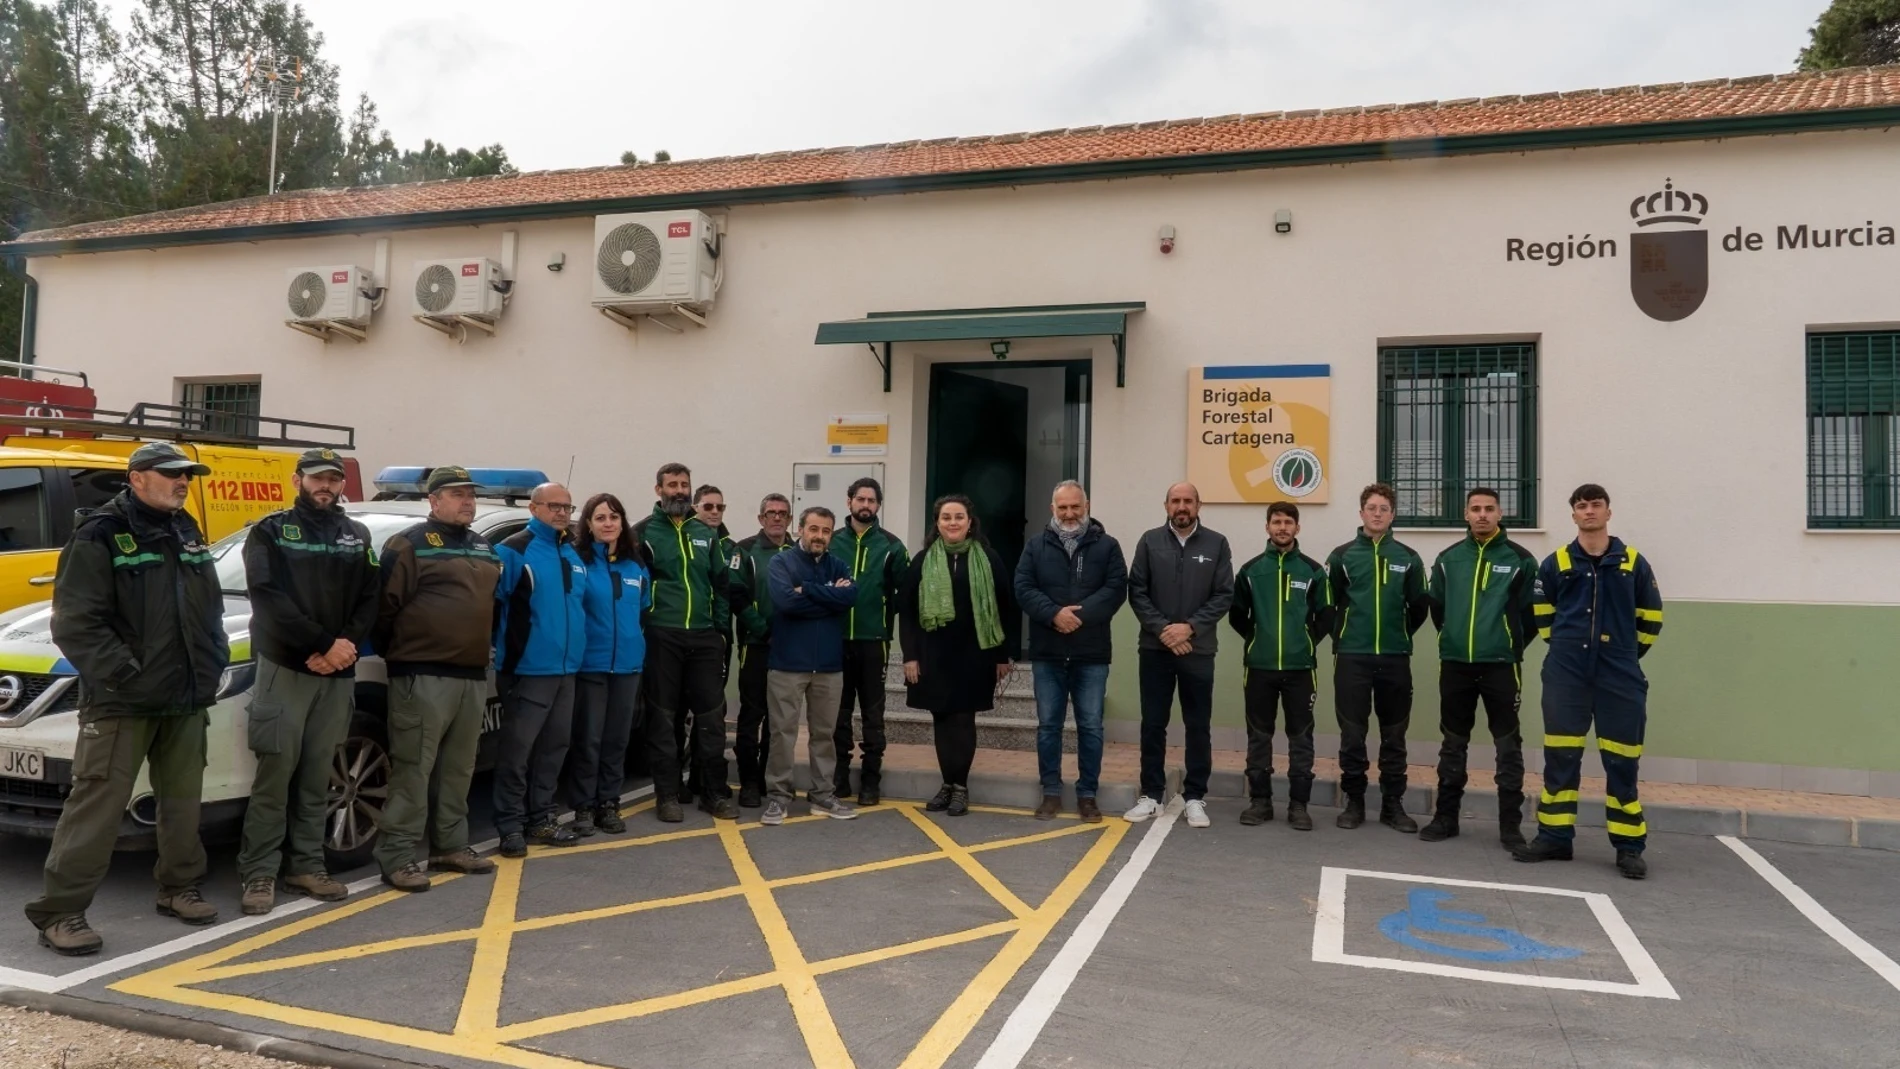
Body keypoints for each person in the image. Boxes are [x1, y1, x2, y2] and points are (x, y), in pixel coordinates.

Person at [25, 443, 229, 954]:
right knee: (96, 806)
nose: (183, 482)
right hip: (123, 700)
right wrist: (123, 673)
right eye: (172, 474)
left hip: (185, 694)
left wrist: (213, 659)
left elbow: (208, 608)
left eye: (188, 476)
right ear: (138, 479)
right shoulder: (100, 534)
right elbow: (75, 622)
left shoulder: (186, 529)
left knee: (182, 803)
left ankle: (179, 887)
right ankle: (62, 912)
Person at [236, 447, 381, 916]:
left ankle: (306, 865)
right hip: (286, 668)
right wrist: (320, 644)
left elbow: (370, 597)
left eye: (334, 479)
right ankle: (259, 873)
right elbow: (267, 597)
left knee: (320, 776)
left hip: (336, 674)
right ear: (297, 480)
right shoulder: (270, 531)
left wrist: (344, 645)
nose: (326, 485)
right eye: (317, 478)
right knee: (275, 776)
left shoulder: (355, 534)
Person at [1515, 484, 1663, 880]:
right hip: (1567, 675)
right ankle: (1555, 837)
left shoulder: (1633, 563)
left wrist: (1624, 656)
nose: (1589, 511)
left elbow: (1651, 620)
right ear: (1574, 515)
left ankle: (1629, 846)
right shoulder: (1557, 562)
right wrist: (1570, 651)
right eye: (1582, 506)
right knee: (1560, 757)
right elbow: (1543, 615)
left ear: (1608, 512)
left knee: (1622, 760)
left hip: (1620, 677)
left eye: (1596, 505)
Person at [371, 466, 502, 892]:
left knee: (458, 769)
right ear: (434, 500)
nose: (467, 501)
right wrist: (404, 657)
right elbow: (384, 607)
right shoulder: (408, 544)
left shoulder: (482, 546)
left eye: (470, 494)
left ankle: (450, 845)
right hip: (422, 674)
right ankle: (398, 856)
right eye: (456, 494)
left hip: (470, 675)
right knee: (413, 769)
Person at [1421, 488, 1540, 849]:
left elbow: (1530, 617)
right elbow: (1437, 610)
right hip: (1456, 664)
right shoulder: (1447, 559)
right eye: (1476, 509)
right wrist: (1456, 640)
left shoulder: (1522, 560)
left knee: (1508, 746)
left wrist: (1506, 644)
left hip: (1501, 667)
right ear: (1466, 514)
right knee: (1453, 743)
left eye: (1489, 508)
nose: (1482, 515)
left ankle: (1509, 827)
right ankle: (1445, 818)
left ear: (1500, 513)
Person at [1013, 480, 1127, 823]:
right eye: (1062, 507)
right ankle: (1050, 792)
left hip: (1091, 653)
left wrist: (1078, 616)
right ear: (1052, 509)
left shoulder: (1107, 546)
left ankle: (1087, 795)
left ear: (1087, 505)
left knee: (1091, 726)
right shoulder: (1035, 546)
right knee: (1048, 726)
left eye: (1075, 506)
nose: (1069, 513)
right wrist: (1053, 614)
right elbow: (1023, 586)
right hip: (1048, 653)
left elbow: (1116, 587)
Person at [1124, 482, 1233, 829]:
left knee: (1197, 726)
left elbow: (1223, 594)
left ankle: (1195, 797)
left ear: (1199, 505)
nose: (1182, 506)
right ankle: (1151, 794)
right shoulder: (1149, 541)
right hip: (1156, 649)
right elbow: (1137, 591)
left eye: (1188, 501)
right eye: (1176, 501)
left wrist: (1189, 629)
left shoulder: (1217, 543)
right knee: (1153, 723)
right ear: (1166, 505)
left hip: (1197, 650)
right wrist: (1164, 631)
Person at [631, 463, 735, 823]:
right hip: (663, 635)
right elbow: (634, 586)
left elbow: (721, 584)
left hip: (704, 636)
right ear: (658, 489)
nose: (679, 490)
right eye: (672, 485)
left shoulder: (706, 531)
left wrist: (720, 631)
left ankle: (713, 793)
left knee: (711, 719)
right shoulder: (642, 533)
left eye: (684, 485)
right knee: (663, 719)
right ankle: (668, 794)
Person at [898, 495, 1013, 817]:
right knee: (941, 719)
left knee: (963, 720)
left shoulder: (988, 559)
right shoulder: (922, 560)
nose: (952, 522)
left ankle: (960, 787)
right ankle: (947, 784)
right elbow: (906, 612)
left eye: (958, 517)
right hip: (932, 655)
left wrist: (1003, 656)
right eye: (946, 517)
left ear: (969, 522)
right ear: (937, 523)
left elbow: (1005, 608)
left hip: (975, 654)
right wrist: (910, 657)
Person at [491, 483, 588, 858]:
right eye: (554, 506)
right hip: (527, 670)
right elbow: (495, 607)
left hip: (566, 671)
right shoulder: (513, 550)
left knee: (554, 748)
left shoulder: (572, 554)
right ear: (534, 508)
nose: (562, 513)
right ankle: (511, 827)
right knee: (518, 753)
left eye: (567, 506)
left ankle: (542, 819)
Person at [1325, 483, 1429, 833]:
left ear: (1392, 514)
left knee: (1394, 734)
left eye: (1384, 508)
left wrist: (1396, 636)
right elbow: (1332, 605)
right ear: (1361, 513)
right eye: (1372, 507)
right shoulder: (1341, 557)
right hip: (1352, 656)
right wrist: (1347, 638)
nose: (1378, 513)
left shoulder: (1408, 558)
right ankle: (1354, 802)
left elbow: (1418, 608)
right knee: (1352, 734)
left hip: (1395, 657)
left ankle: (1392, 804)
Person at [1228, 501, 1332, 832]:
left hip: (1301, 669)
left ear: (1297, 528)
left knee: (1301, 737)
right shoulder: (1250, 570)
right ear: (1267, 527)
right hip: (1259, 668)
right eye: (1276, 522)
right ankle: (1260, 802)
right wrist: (1259, 640)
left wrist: (1304, 641)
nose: (1282, 527)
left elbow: (1327, 615)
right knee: (1259, 735)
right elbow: (1236, 615)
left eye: (1288, 522)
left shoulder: (1313, 571)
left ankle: (1299, 806)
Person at [760, 506, 859, 825]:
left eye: (826, 531)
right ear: (800, 529)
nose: (819, 536)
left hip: (829, 666)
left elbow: (850, 599)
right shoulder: (781, 562)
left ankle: (823, 796)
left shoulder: (838, 563)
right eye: (813, 529)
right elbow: (785, 602)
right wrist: (829, 598)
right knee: (782, 733)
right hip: (788, 664)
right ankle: (777, 797)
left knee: (824, 734)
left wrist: (812, 592)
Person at [564, 492, 651, 837]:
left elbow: (644, 604)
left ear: (622, 522)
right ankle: (583, 807)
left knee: (616, 740)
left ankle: (609, 804)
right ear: (588, 524)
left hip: (628, 667)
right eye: (600, 518)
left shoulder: (635, 564)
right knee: (589, 739)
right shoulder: (578, 562)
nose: (608, 523)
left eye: (614, 517)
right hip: (591, 665)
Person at [829, 477, 909, 806]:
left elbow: (905, 594)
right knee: (838, 712)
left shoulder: (891, 546)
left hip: (874, 642)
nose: (866, 505)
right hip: (834, 641)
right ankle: (839, 775)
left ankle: (871, 778)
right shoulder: (831, 541)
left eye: (871, 500)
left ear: (878, 505)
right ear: (849, 502)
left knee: (873, 714)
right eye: (860, 499)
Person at [733, 493, 796, 809]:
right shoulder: (744, 551)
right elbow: (737, 597)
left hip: (788, 651)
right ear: (761, 518)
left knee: (779, 720)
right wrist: (763, 630)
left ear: (790, 519)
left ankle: (771, 780)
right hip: (756, 647)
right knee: (751, 717)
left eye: (783, 513)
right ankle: (748, 783)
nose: (777, 518)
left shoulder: (799, 552)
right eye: (771, 513)